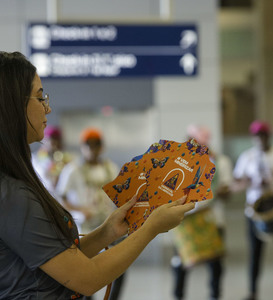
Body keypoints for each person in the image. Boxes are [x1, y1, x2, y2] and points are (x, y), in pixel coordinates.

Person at [0, 51, 195, 300]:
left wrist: (108, 232)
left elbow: (57, 257)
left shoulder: (15, 184)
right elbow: (86, 278)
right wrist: (151, 227)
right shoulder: (12, 195)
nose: (48, 108)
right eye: (40, 98)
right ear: (13, 104)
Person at [232, 120, 273, 300]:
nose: (260, 139)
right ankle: (253, 291)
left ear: (269, 136)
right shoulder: (247, 157)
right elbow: (235, 183)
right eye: (256, 136)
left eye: (263, 135)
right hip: (255, 211)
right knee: (255, 254)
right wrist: (250, 182)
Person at [56, 127, 123, 300]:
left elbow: (118, 194)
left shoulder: (110, 167)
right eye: (89, 145)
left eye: (96, 145)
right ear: (82, 147)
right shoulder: (73, 169)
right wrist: (79, 210)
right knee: (86, 270)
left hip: (108, 224)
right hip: (84, 227)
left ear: (102, 147)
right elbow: (60, 198)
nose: (93, 149)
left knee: (118, 266)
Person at [171, 125, 233, 300]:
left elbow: (226, 192)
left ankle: (215, 296)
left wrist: (220, 192)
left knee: (215, 264)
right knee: (180, 263)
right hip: (185, 220)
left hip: (213, 220)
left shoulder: (219, 162)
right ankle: (178, 296)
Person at [32, 125, 73, 195]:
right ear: (44, 141)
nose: (54, 143)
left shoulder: (66, 160)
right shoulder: (36, 159)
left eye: (57, 140)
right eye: (51, 139)